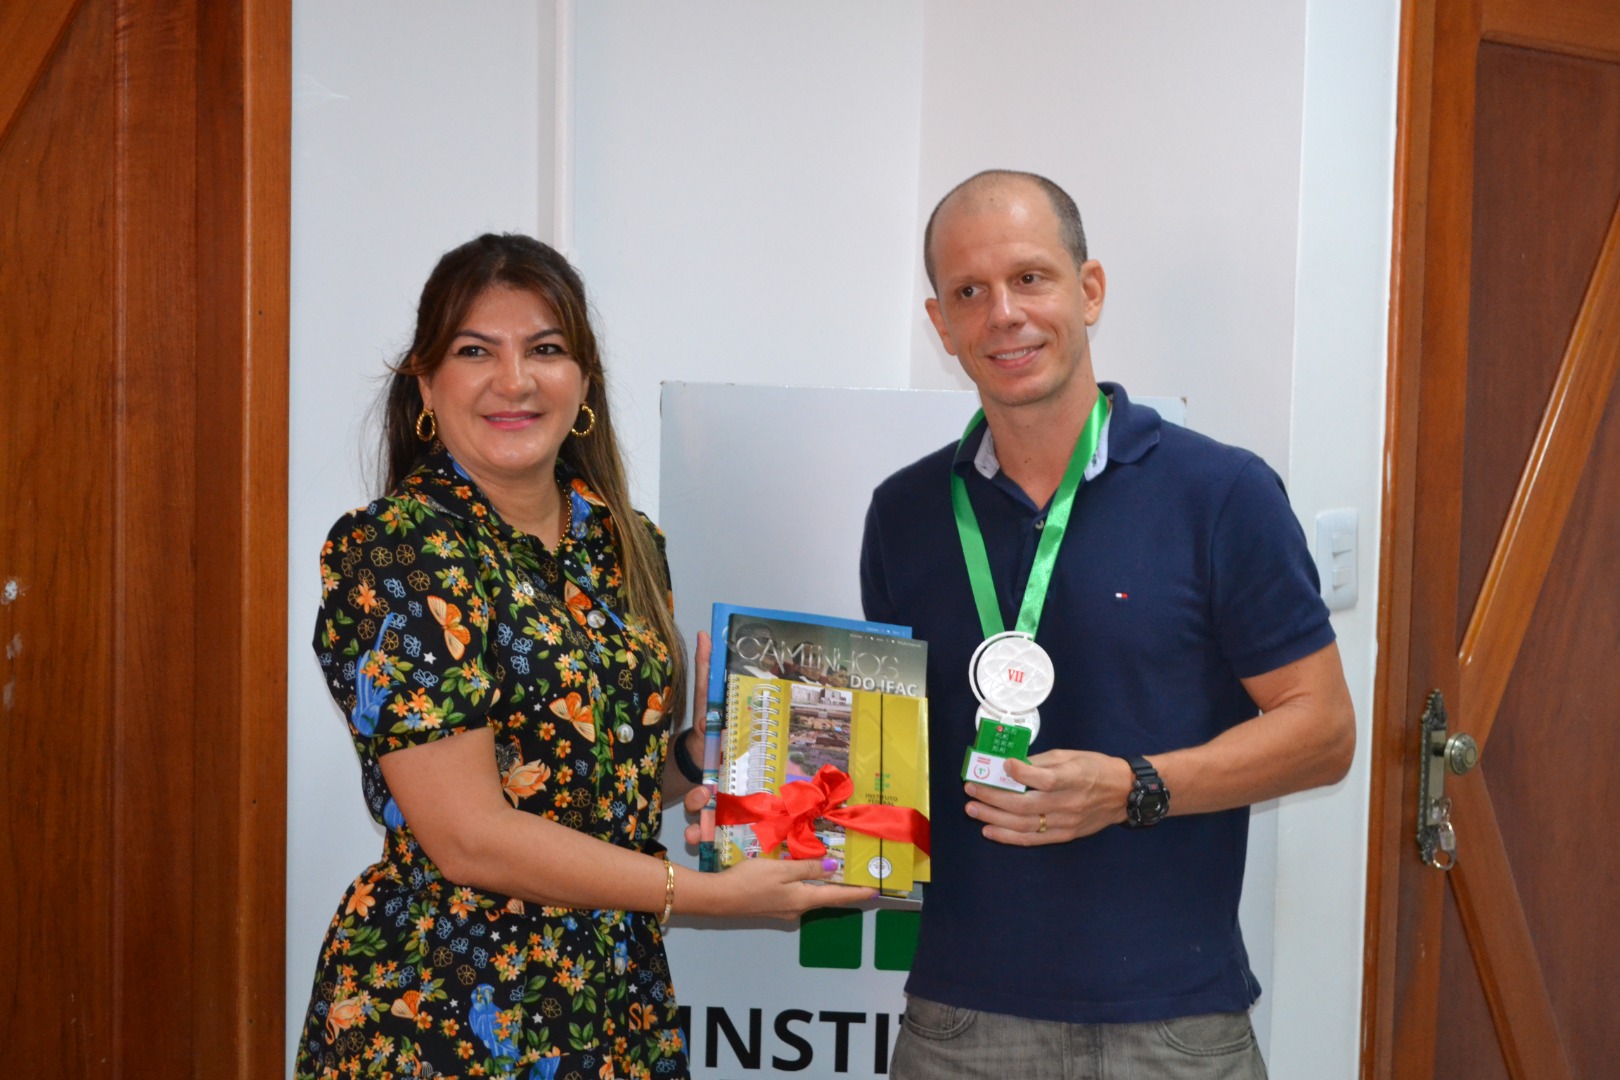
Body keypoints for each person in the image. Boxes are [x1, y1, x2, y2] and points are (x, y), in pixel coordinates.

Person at [294, 233, 872, 1080]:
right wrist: (704, 895)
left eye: (545, 349)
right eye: (475, 351)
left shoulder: (627, 543)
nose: (515, 380)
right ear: (425, 381)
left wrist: (697, 756)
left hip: (615, 994)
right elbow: (469, 837)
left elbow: (591, 782)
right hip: (452, 1003)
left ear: (584, 379)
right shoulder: (399, 551)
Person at [857, 172, 1356, 1078]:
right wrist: (761, 800)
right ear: (941, 324)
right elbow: (891, 759)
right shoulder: (905, 512)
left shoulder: (1222, 494)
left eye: (1030, 278)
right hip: (960, 1026)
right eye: (969, 292)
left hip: (1173, 1026)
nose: (1004, 314)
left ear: (1089, 290)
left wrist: (1133, 787)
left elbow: (1322, 732)